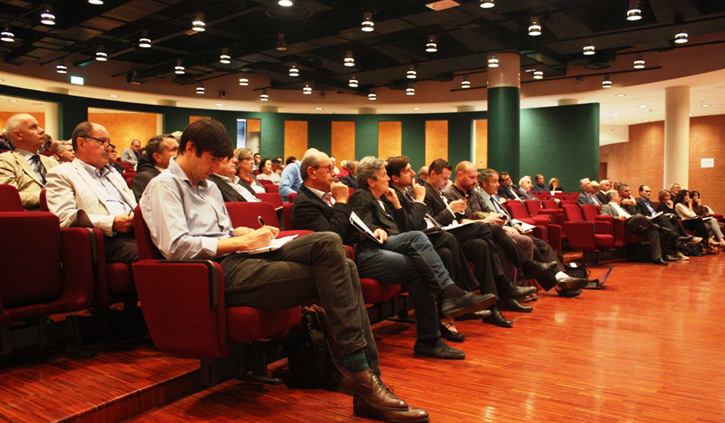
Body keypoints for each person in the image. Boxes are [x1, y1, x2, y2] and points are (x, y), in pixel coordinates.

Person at [140, 119, 429, 422]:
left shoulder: (210, 188)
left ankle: (363, 377)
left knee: (330, 243)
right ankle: (364, 377)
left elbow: (222, 232)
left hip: (243, 257)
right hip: (215, 274)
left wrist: (243, 234)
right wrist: (240, 241)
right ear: (190, 149)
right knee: (341, 268)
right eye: (213, 159)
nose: (216, 168)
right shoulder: (163, 187)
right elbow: (176, 246)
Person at [347, 156, 496, 357]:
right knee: (418, 238)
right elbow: (361, 222)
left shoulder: (383, 198)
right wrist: (375, 229)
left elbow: (403, 228)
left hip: (390, 247)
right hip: (371, 252)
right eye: (383, 175)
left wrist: (397, 205)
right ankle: (451, 293)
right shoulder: (361, 196)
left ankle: (429, 340)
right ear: (371, 181)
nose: (387, 179)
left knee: (422, 270)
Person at [387, 156, 542, 330]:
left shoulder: (412, 192)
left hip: (444, 233)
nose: (414, 173)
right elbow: (415, 225)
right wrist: (442, 207)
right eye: (408, 170)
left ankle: (492, 308)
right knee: (492, 230)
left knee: (482, 245)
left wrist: (456, 213)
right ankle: (511, 279)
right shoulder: (416, 193)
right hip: (433, 237)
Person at [448, 165, 587, 299]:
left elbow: (489, 212)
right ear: (460, 175)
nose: (498, 185)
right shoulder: (452, 193)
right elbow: (459, 221)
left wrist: (500, 219)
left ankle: (559, 279)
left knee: (543, 245)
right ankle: (527, 282)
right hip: (485, 232)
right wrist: (494, 222)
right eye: (473, 178)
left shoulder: (474, 194)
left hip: (496, 228)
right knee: (527, 243)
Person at [46, 121, 137, 264]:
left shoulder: (114, 175)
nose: (109, 148)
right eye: (102, 142)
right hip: (104, 238)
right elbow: (64, 217)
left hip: (137, 231)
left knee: (177, 250)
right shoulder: (61, 173)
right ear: (81, 143)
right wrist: (111, 223)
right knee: (154, 256)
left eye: (109, 143)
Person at [601, 190, 676, 265]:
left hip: (635, 224)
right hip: (625, 226)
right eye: (618, 196)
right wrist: (618, 217)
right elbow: (603, 216)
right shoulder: (606, 206)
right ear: (613, 197)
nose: (620, 198)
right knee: (639, 216)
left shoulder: (622, 207)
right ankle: (660, 228)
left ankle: (657, 258)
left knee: (653, 231)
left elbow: (633, 212)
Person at [0, 113, 58, 210]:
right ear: (18, 135)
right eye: (33, 127)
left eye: (39, 126)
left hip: (64, 213)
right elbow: (9, 197)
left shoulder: (50, 162)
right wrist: (49, 196)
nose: (42, 130)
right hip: (32, 216)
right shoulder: (5, 161)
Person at [132, 134, 179, 201]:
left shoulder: (183, 175)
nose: (180, 153)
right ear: (157, 157)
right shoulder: (144, 178)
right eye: (174, 150)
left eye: (179, 149)